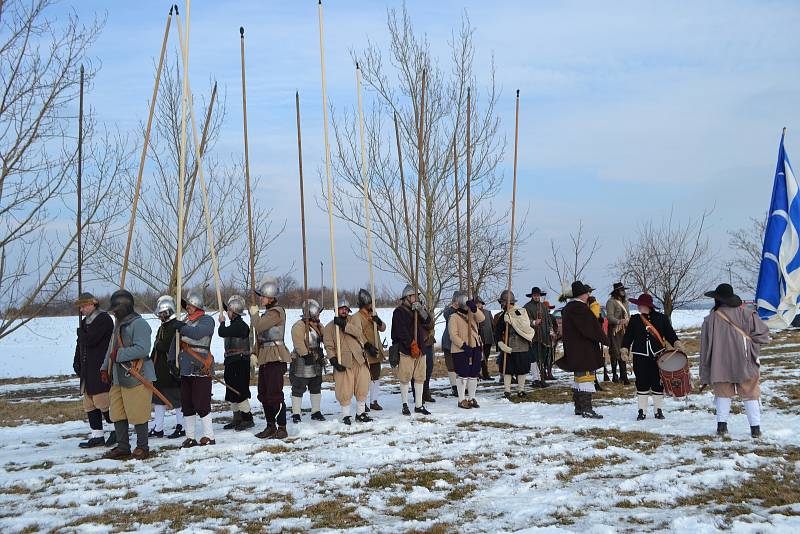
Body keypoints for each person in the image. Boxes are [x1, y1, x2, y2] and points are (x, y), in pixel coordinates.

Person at [699, 283, 769, 437]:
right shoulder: (748, 314)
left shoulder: (710, 320)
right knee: (750, 393)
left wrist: (705, 372)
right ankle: (755, 429)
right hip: (745, 362)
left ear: (717, 299)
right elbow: (763, 336)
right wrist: (751, 349)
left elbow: (705, 349)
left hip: (719, 365)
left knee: (722, 394)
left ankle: (721, 427)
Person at [100, 290, 154, 460]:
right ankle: (123, 447)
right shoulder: (118, 324)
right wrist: (104, 367)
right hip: (118, 375)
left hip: (137, 374)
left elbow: (143, 348)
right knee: (117, 412)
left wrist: (120, 355)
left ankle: (142, 447)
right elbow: (111, 348)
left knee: (138, 413)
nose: (114, 312)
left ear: (125, 307)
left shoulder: (139, 324)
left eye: (116, 309)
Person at [622, 293, 684, 421]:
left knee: (657, 383)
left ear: (646, 306)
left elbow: (670, 334)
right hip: (640, 356)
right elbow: (628, 337)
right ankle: (642, 411)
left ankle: (658, 410)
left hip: (658, 356)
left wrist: (677, 343)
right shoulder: (635, 320)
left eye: (639, 304)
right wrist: (624, 350)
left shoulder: (661, 318)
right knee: (641, 383)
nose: (638, 307)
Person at [249, 276, 293, 439]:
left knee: (275, 394)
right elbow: (261, 336)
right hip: (265, 357)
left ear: (270, 297)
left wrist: (254, 315)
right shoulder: (267, 313)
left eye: (262, 296)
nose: (260, 298)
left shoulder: (276, 312)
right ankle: (270, 426)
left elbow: (259, 326)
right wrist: (254, 352)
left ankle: (282, 427)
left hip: (276, 356)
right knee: (264, 394)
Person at [557, 281, 608, 419]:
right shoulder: (579, 308)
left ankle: (579, 407)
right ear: (583, 294)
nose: (588, 295)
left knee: (579, 377)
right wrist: (604, 338)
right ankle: (586, 409)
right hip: (583, 349)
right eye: (587, 293)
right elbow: (590, 327)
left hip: (574, 348)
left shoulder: (569, 307)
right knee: (586, 377)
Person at [174, 290, 216, 447]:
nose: (188, 308)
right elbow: (177, 342)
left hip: (200, 366)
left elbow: (198, 334)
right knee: (187, 403)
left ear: (197, 306)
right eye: (187, 305)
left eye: (190, 305)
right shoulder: (187, 321)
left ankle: (209, 436)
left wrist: (182, 327)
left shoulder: (207, 320)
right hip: (185, 367)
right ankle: (190, 437)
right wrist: (173, 361)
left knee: (201, 403)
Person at [73, 292, 115, 448]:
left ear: (92, 304)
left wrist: (81, 334)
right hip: (87, 368)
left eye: (84, 306)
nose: (81, 310)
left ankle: (115, 430)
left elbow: (90, 340)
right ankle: (97, 435)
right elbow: (81, 344)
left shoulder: (103, 319)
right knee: (89, 402)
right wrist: (76, 360)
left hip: (100, 366)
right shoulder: (86, 322)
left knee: (102, 400)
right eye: (80, 307)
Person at [324, 298, 371, 424]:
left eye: (345, 309)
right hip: (343, 361)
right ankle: (346, 415)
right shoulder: (329, 327)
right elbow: (329, 346)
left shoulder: (353, 320)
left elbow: (358, 333)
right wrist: (333, 361)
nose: (344, 311)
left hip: (358, 359)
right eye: (341, 308)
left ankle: (361, 413)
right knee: (344, 389)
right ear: (336, 310)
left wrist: (344, 325)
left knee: (362, 386)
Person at [391, 285, 433, 415]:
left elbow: (428, 322)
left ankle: (419, 405)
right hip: (406, 349)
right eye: (414, 296)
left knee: (420, 377)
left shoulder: (417, 309)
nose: (417, 298)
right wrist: (411, 344)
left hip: (420, 348)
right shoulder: (399, 312)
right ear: (407, 297)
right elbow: (401, 331)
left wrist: (420, 310)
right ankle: (405, 405)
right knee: (405, 378)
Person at [149, 295, 184, 440]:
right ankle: (158, 428)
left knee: (177, 400)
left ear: (168, 312)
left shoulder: (176, 327)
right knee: (158, 399)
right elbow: (157, 347)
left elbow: (165, 346)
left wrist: (158, 345)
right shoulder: (163, 327)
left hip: (171, 368)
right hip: (159, 369)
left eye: (162, 313)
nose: (160, 316)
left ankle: (182, 426)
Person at [218, 294, 254, 431]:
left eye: (229, 311)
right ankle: (237, 417)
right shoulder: (234, 324)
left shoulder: (241, 325)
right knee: (231, 391)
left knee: (240, 391)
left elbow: (222, 332)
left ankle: (247, 418)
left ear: (234, 312)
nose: (227, 313)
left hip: (240, 362)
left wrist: (221, 321)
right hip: (231, 361)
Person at [289, 299, 326, 423]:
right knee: (298, 387)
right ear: (312, 313)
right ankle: (296, 414)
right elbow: (298, 341)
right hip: (302, 360)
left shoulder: (317, 325)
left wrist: (320, 326)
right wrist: (305, 354)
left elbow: (325, 337)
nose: (319, 316)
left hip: (316, 359)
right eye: (317, 313)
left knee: (316, 386)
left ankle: (316, 411)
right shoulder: (299, 326)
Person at [349, 289, 387, 412]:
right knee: (363, 379)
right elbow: (358, 334)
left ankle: (373, 401)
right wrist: (367, 346)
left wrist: (378, 321)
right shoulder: (356, 317)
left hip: (376, 350)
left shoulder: (373, 314)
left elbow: (383, 328)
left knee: (376, 376)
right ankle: (362, 402)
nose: (370, 305)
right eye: (368, 303)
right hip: (365, 352)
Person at [495, 290, 536, 399]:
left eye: (503, 302)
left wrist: (511, 320)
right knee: (508, 369)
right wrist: (500, 343)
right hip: (508, 347)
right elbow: (498, 332)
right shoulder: (503, 315)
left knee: (522, 369)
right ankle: (507, 391)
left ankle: (521, 390)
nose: (502, 305)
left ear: (508, 302)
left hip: (522, 346)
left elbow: (525, 325)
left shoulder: (520, 312)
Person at [447, 293, 484, 409]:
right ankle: (461, 399)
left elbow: (482, 318)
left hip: (475, 346)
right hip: (460, 350)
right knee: (463, 374)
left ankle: (471, 397)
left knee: (473, 373)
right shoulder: (453, 317)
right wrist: (463, 346)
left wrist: (474, 308)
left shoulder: (472, 314)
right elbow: (453, 335)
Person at [523, 286, 557, 387]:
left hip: (544, 337)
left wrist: (551, 331)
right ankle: (535, 379)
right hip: (533, 337)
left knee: (543, 358)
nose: (536, 297)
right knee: (534, 358)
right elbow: (524, 321)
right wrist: (533, 322)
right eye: (535, 295)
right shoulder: (527, 307)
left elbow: (549, 321)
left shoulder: (543, 306)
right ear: (532, 296)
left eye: (538, 295)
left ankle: (542, 377)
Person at [605, 283, 631, 385]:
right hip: (615, 330)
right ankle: (615, 375)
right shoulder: (611, 302)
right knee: (615, 352)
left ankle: (623, 376)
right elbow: (610, 317)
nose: (623, 292)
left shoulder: (625, 302)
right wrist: (619, 321)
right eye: (621, 290)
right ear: (617, 291)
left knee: (624, 351)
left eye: (623, 290)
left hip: (624, 330)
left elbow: (627, 315)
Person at [439, 292, 463, 397]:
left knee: (461, 365)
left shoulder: (464, 309)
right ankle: (454, 387)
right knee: (451, 365)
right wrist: (453, 307)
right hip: (449, 341)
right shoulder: (449, 309)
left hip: (461, 340)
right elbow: (446, 315)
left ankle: (462, 386)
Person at [476, 296, 494, 381]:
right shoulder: (473, 313)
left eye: (479, 303)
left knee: (486, 356)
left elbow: (493, 324)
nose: (478, 304)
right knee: (478, 357)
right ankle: (477, 373)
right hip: (477, 339)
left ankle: (486, 374)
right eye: (476, 303)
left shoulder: (487, 312)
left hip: (487, 338)